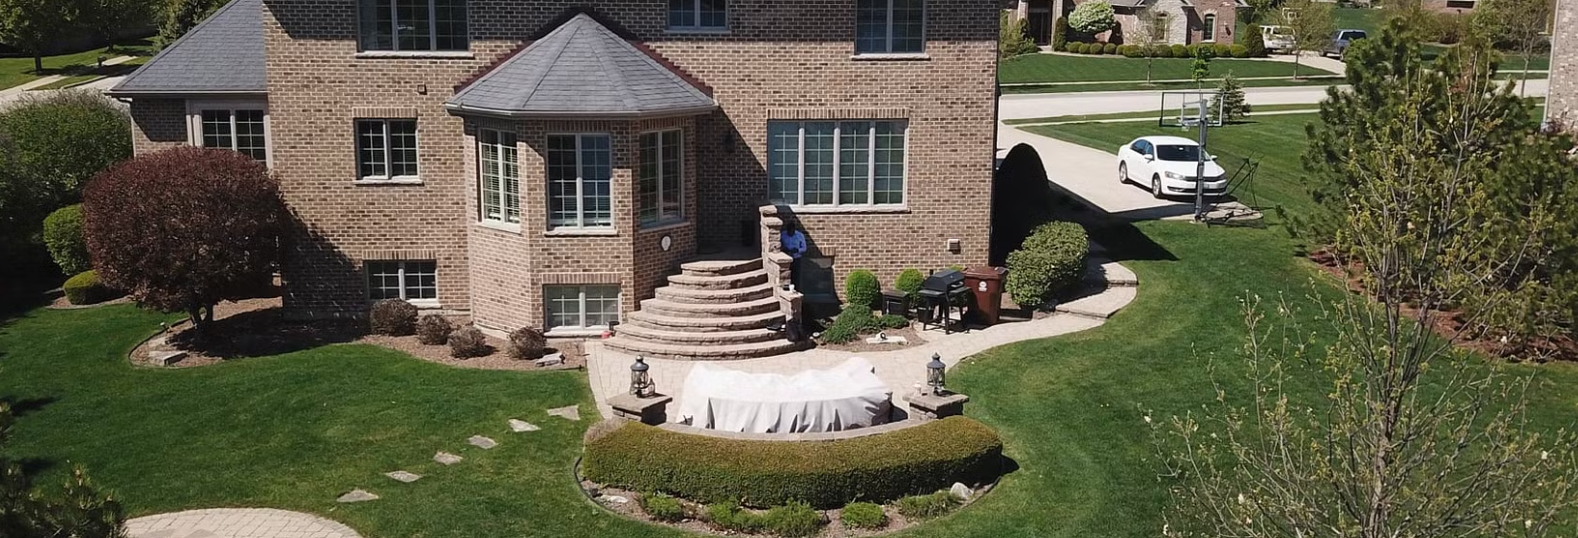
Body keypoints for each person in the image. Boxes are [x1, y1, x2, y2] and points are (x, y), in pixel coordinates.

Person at [780, 218, 807, 289]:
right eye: (789, 232)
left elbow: (804, 248)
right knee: (785, 276)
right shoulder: (783, 235)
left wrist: (797, 250)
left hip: (796, 258)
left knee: (796, 276)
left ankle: (796, 289)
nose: (790, 234)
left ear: (794, 230)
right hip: (786, 258)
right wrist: (784, 249)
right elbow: (779, 245)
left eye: (792, 232)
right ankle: (785, 289)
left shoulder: (800, 235)